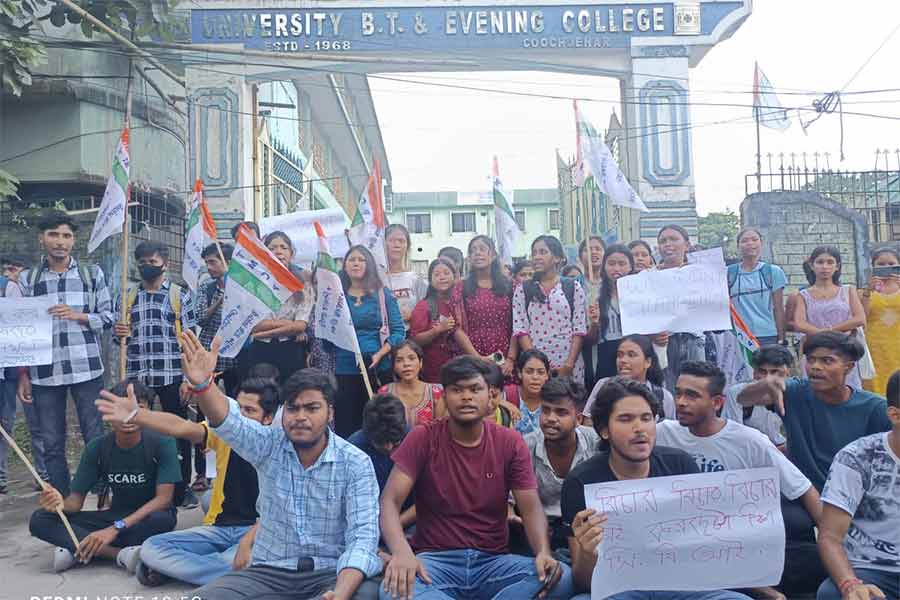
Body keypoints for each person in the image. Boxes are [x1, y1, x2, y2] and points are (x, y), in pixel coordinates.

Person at [179, 332, 382, 600]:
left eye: (311, 408)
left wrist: (340, 595)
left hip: (330, 573)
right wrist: (204, 386)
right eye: (293, 408)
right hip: (269, 572)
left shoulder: (355, 462)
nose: (300, 417)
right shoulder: (269, 444)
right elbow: (230, 422)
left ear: (330, 412)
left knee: (368, 593)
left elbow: (362, 538)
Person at [379, 355, 573, 600]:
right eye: (457, 390)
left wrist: (543, 552)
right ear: (445, 396)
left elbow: (531, 507)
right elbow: (389, 501)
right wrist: (402, 553)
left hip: (493, 563)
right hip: (434, 563)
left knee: (561, 576)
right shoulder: (423, 437)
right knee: (391, 589)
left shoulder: (510, 442)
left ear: (490, 395)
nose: (466, 397)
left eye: (475, 389)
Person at [561, 378, 751, 600]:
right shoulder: (582, 482)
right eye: (625, 419)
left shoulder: (681, 465)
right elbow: (584, 583)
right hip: (620, 589)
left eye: (646, 418)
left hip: (681, 586)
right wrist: (586, 553)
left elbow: (707, 552)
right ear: (604, 431)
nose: (639, 428)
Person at [658, 361, 823, 598]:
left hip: (739, 543)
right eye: (679, 393)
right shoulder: (663, 433)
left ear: (716, 402)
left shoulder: (749, 441)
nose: (681, 402)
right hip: (682, 542)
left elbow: (803, 489)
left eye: (692, 395)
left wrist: (833, 542)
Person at [94, 377, 279, 586]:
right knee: (152, 548)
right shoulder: (226, 431)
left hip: (257, 531)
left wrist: (246, 542)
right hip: (221, 528)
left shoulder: (278, 446)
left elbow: (282, 512)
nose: (241, 417)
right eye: (239, 410)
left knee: (243, 557)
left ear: (268, 418)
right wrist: (138, 414)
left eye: (250, 411)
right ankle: (234, 573)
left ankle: (187, 570)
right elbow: (181, 427)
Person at [29, 381, 180, 574]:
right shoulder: (97, 448)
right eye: (121, 410)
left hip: (146, 517)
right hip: (114, 517)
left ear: (148, 413)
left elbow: (163, 499)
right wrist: (58, 503)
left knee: (162, 522)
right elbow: (75, 503)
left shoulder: (163, 443)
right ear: (108, 415)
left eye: (137, 409)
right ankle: (118, 554)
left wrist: (115, 529)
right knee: (40, 519)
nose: (128, 418)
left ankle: (76, 546)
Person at [17, 212, 113, 497]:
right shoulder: (28, 279)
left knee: (94, 435)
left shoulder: (91, 274)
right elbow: (20, 330)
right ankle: (62, 499)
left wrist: (78, 315)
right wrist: (23, 374)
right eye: (53, 235)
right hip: (44, 372)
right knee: (51, 442)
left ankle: (102, 493)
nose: (60, 242)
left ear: (74, 241)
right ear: (42, 238)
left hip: (86, 368)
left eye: (66, 236)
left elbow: (109, 317)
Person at [737, 331, 892, 491]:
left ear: (849, 367)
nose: (815, 367)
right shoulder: (795, 391)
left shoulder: (875, 407)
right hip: (802, 493)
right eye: (811, 360)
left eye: (827, 361)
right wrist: (765, 383)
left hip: (855, 494)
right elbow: (744, 399)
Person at [115, 240, 198, 508]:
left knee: (179, 432)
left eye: (153, 262)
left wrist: (188, 379)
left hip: (172, 375)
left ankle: (182, 488)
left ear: (166, 264)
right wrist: (120, 335)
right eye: (142, 263)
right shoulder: (127, 296)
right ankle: (148, 488)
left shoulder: (179, 296)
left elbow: (190, 339)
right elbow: (121, 341)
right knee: (139, 432)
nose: (147, 267)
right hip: (138, 376)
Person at [816, 370, 900, 600]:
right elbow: (830, 537)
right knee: (834, 594)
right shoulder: (858, 457)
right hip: (873, 570)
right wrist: (849, 584)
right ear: (894, 415)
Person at [332, 245, 405, 438]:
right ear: (344, 265)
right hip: (345, 368)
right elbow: (327, 337)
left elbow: (398, 331)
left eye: (361, 259)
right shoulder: (335, 297)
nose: (356, 263)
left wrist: (381, 353)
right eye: (351, 259)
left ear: (369, 265)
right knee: (347, 424)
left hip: (378, 368)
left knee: (379, 423)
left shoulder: (382, 294)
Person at [523, 377, 598, 552]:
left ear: (578, 419)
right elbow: (512, 500)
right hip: (541, 532)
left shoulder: (596, 443)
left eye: (561, 412)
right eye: (546, 411)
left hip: (587, 530)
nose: (550, 418)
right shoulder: (525, 446)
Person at [513, 235, 588, 381]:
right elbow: (521, 328)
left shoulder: (572, 287)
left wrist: (569, 365)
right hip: (536, 367)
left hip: (568, 364)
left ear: (557, 258)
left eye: (543, 252)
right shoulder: (523, 289)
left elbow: (579, 329)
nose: (537, 257)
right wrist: (536, 364)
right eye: (534, 253)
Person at [794, 245, 866, 389]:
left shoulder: (848, 290)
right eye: (820, 262)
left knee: (847, 389)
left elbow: (859, 319)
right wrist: (823, 335)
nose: (825, 267)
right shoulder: (803, 295)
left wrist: (831, 332)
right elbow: (799, 323)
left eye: (830, 262)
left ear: (837, 266)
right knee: (816, 390)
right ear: (812, 265)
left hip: (844, 350)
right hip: (815, 351)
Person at [246, 231, 313, 384]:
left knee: (291, 396)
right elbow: (254, 325)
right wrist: (288, 324)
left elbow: (301, 325)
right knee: (261, 396)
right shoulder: (254, 283)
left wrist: (264, 333)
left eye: (283, 247)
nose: (278, 251)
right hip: (260, 350)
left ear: (291, 253)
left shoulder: (302, 283)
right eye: (273, 247)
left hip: (291, 349)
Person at [348, 394, 416, 529]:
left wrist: (392, 529)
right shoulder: (353, 450)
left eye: (396, 443)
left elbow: (429, 500)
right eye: (381, 443)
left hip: (411, 521)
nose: (389, 448)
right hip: (367, 524)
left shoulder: (417, 441)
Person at [451, 235, 515, 377]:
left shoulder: (510, 285)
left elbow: (518, 325)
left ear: (492, 255)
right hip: (472, 351)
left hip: (505, 350)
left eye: (482, 249)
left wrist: (511, 359)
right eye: (473, 250)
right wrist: (477, 357)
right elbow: (456, 327)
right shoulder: (460, 287)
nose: (477, 253)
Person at [583, 334, 676, 425]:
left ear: (647, 362)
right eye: (620, 355)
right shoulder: (603, 386)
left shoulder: (664, 397)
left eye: (631, 355)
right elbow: (588, 426)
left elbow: (669, 434)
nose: (623, 360)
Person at [656, 225, 706, 391]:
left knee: (695, 390)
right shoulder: (649, 278)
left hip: (694, 341)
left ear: (686, 245)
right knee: (668, 392)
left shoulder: (703, 273)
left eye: (673, 239)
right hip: (664, 344)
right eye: (663, 241)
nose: (668, 244)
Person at [721, 344, 792, 450]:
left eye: (775, 372)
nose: (768, 378)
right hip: (751, 450)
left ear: (787, 373)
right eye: (763, 372)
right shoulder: (737, 392)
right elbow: (733, 434)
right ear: (754, 372)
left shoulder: (798, 392)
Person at [728, 228, 788, 345]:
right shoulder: (728, 273)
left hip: (768, 335)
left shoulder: (773, 272)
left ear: (761, 243)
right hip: (739, 335)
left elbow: (779, 308)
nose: (750, 243)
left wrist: (781, 338)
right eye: (745, 241)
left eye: (754, 240)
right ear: (738, 246)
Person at [587, 244, 635, 384]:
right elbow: (590, 339)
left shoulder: (640, 293)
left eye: (622, 264)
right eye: (611, 263)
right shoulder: (594, 294)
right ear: (604, 266)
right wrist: (595, 323)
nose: (616, 269)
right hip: (606, 355)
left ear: (631, 266)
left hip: (633, 351)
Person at [409, 258, 459, 383]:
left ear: (455, 276)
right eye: (436, 274)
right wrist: (437, 330)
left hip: (463, 367)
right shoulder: (424, 306)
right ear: (430, 281)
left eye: (446, 273)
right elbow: (415, 340)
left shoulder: (462, 302)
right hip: (435, 371)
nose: (442, 277)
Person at [860, 247, 900, 396]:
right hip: (874, 348)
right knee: (875, 387)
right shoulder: (865, 292)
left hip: (897, 345)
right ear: (873, 266)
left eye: (891, 263)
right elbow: (861, 319)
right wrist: (867, 292)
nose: (886, 267)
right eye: (881, 264)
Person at [378, 340, 445, 427]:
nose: (406, 364)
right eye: (399, 360)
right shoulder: (384, 393)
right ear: (394, 366)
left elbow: (439, 429)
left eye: (411, 358)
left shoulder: (435, 393)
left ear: (420, 363)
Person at [385, 223, 428, 328]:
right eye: (391, 240)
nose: (396, 245)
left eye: (401, 241)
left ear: (407, 246)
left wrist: (412, 315)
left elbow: (427, 308)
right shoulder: (376, 279)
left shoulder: (416, 279)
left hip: (412, 337)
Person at [502, 349, 551, 435]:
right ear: (520, 373)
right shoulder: (507, 394)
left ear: (547, 375)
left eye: (541, 372)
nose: (535, 377)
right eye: (529, 372)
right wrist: (502, 402)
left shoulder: (553, 399)